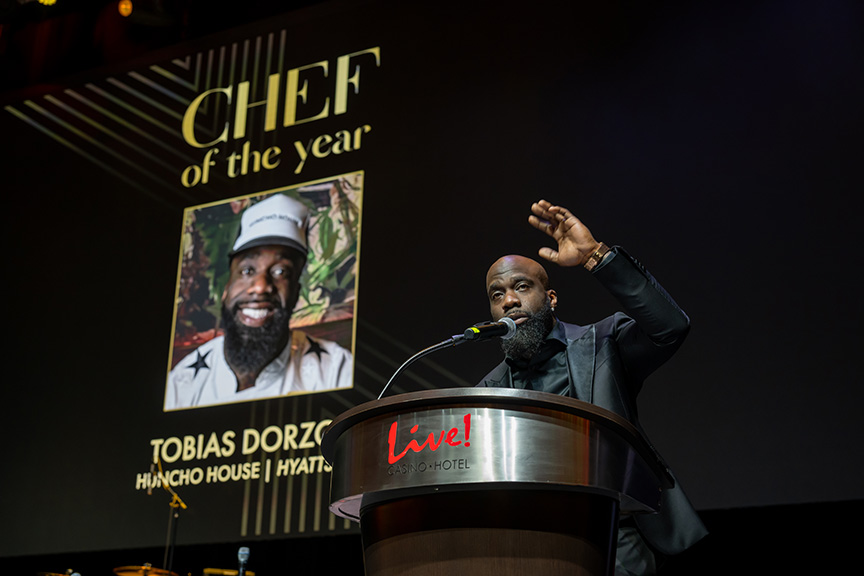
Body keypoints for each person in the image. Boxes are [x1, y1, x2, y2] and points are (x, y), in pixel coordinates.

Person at [478, 199, 707, 575]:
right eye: (496, 295)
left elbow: (671, 327)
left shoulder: (603, 343)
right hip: (531, 548)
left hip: (617, 538)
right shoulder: (488, 390)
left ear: (550, 299)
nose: (509, 301)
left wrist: (595, 257)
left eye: (521, 286)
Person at [165, 194, 353, 410]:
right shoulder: (182, 385)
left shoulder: (336, 370)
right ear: (226, 289)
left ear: (296, 293)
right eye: (247, 271)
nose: (261, 286)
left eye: (280, 271)